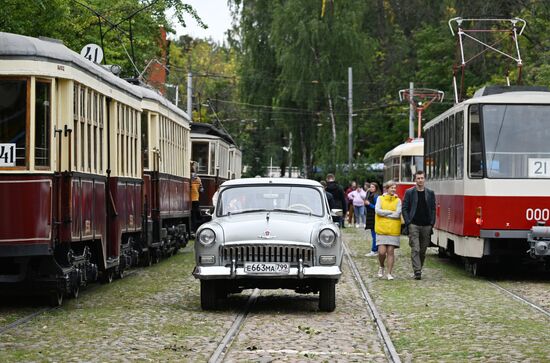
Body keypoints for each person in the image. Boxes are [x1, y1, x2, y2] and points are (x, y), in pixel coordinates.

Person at [402, 170, 436, 280]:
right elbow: (405, 208)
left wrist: (432, 223)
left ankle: (419, 268)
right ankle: (417, 271)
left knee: (423, 250)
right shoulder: (409, 192)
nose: (420, 180)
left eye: (422, 178)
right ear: (415, 180)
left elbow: (433, 209)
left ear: (424, 179)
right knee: (415, 248)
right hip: (414, 225)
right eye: (418, 178)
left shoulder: (430, 193)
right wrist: (408, 222)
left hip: (426, 225)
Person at [374, 180, 402, 280]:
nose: (393, 189)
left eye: (394, 188)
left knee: (390, 251)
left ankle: (389, 273)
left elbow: (397, 214)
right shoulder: (380, 199)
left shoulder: (398, 200)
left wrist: (384, 214)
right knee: (381, 252)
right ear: (387, 188)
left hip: (393, 230)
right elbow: (377, 211)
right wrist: (390, 212)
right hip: (381, 229)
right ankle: (381, 266)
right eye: (391, 188)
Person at [364, 182, 380, 256]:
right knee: (373, 234)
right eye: (370, 187)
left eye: (373, 187)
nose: (371, 188)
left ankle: (374, 250)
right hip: (370, 216)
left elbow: (377, 208)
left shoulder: (376, 196)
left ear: (376, 188)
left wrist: (369, 204)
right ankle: (375, 249)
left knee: (374, 235)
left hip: (374, 217)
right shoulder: (369, 195)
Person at [190, 168, 203, 234]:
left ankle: (192, 229)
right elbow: (201, 190)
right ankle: (195, 229)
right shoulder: (198, 179)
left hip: (189, 199)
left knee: (192, 215)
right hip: (196, 199)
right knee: (195, 215)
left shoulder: (189, 178)